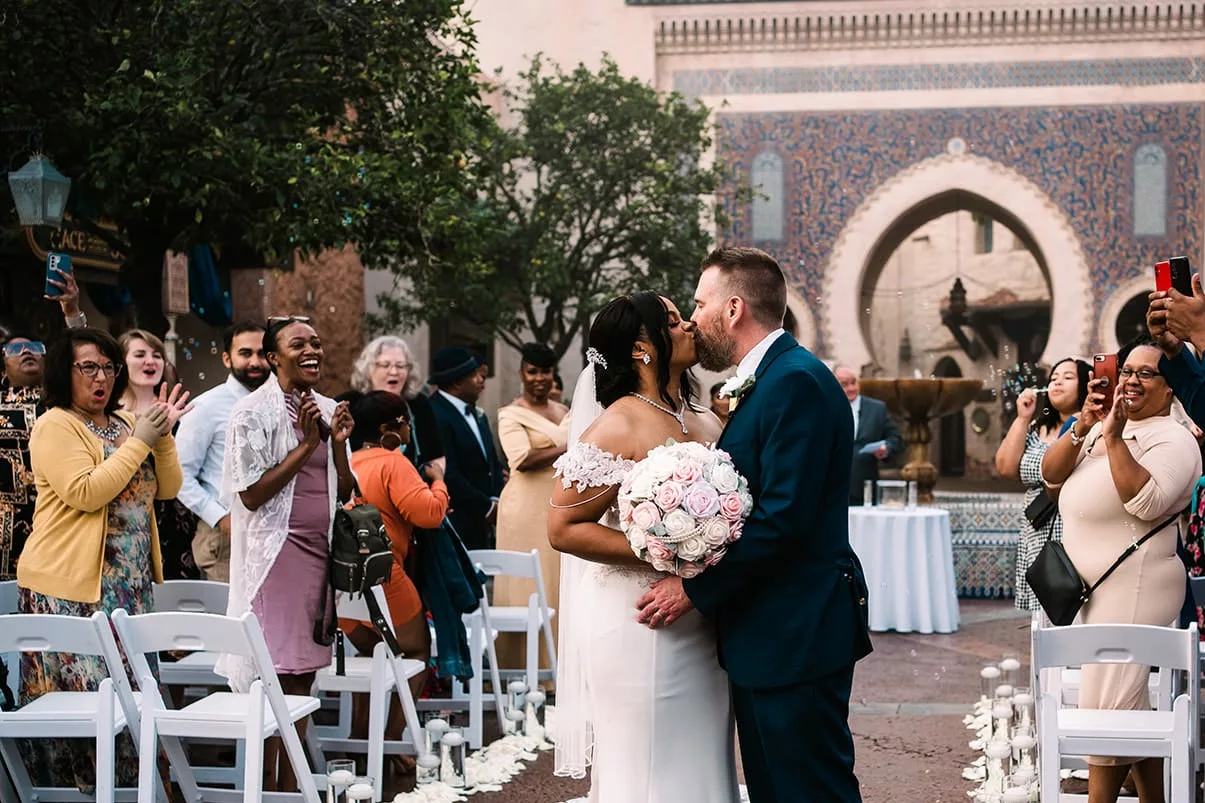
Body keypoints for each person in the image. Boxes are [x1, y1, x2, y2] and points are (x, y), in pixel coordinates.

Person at [637, 246, 872, 803]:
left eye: (699, 303)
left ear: (735, 308)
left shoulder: (795, 381)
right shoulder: (768, 379)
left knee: (810, 789)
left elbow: (784, 518)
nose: (693, 319)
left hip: (797, 628)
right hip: (771, 630)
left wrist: (696, 588)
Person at [547, 291, 733, 801]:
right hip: (639, 619)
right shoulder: (619, 423)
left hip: (700, 617)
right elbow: (563, 527)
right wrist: (667, 550)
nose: (689, 326)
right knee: (645, 763)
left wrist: (702, 555)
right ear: (640, 349)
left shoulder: (705, 420)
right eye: (672, 322)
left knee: (701, 753)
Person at [17, 327, 188, 792]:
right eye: (88, 367)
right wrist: (142, 440)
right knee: (95, 709)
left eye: (109, 367)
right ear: (62, 372)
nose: (102, 377)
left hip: (129, 585)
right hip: (71, 588)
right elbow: (87, 492)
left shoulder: (127, 424)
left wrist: (162, 436)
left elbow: (168, 490)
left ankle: (136, 793)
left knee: (136, 704)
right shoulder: (55, 424)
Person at [1041, 341, 1200, 803]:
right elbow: (1051, 479)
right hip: (1095, 591)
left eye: (1147, 374)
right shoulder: (1102, 425)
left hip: (1136, 586)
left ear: (1171, 388)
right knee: (1128, 705)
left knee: (1104, 708)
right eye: (1126, 370)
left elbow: (1145, 501)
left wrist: (1111, 438)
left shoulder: (1173, 439)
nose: (1130, 380)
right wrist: (1082, 427)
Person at [217, 316, 355, 793]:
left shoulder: (330, 406)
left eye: (317, 342)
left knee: (303, 683)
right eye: (299, 344)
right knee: (273, 680)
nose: (312, 350)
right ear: (273, 358)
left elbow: (346, 489)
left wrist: (336, 445)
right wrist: (306, 446)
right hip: (275, 557)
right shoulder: (251, 414)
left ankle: (292, 786)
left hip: (319, 557)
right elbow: (251, 495)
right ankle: (268, 787)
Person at [337, 390, 448, 773]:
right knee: (416, 651)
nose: (410, 428)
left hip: (345, 584)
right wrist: (438, 481)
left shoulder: (348, 461)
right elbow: (430, 514)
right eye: (406, 422)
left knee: (373, 658)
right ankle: (390, 742)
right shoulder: (392, 462)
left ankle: (361, 742)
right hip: (385, 576)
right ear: (389, 429)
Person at [0, 269, 88, 580]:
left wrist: (71, 309)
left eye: (36, 348)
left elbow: (81, 350)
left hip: (56, 519)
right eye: (14, 349)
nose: (26, 351)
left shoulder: (64, 397)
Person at [495, 343, 569, 674]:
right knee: (527, 585)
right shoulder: (510, 413)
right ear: (522, 373)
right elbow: (521, 460)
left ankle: (557, 668)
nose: (539, 378)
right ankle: (520, 670)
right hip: (524, 509)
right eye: (532, 371)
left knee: (557, 582)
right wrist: (569, 445)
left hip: (558, 503)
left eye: (546, 371)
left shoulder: (563, 409)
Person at [175, 321, 269, 581]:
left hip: (273, 532)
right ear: (227, 358)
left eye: (262, 354)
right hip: (225, 536)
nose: (255, 362)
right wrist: (220, 517)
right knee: (232, 621)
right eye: (245, 353)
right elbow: (180, 475)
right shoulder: (206, 407)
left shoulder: (281, 404)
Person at [994, 358, 1090, 611]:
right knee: (1042, 620)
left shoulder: (1092, 428)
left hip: (1074, 529)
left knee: (1075, 611)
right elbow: (1005, 467)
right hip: (1038, 534)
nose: (1057, 381)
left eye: (1068, 377)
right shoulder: (1037, 427)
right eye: (1054, 377)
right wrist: (1023, 417)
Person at [118, 328, 198, 580]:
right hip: (124, 517)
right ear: (121, 362)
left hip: (172, 516)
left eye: (157, 355)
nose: (150, 361)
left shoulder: (180, 412)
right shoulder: (108, 413)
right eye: (139, 355)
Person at [428, 347, 504, 550]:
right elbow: (448, 470)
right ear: (456, 381)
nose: (481, 381)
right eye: (474, 376)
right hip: (457, 520)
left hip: (483, 524)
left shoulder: (478, 414)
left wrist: (495, 498)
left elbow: (492, 462)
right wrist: (486, 508)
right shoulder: (434, 413)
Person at [348, 335, 445, 469]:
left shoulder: (418, 403)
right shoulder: (349, 404)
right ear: (368, 369)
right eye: (385, 365)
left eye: (400, 366)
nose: (393, 372)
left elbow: (437, 458)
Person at [833, 364, 902, 506]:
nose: (851, 388)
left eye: (853, 382)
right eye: (844, 384)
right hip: (832, 490)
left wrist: (886, 448)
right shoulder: (826, 408)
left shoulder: (877, 409)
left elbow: (896, 439)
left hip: (865, 489)